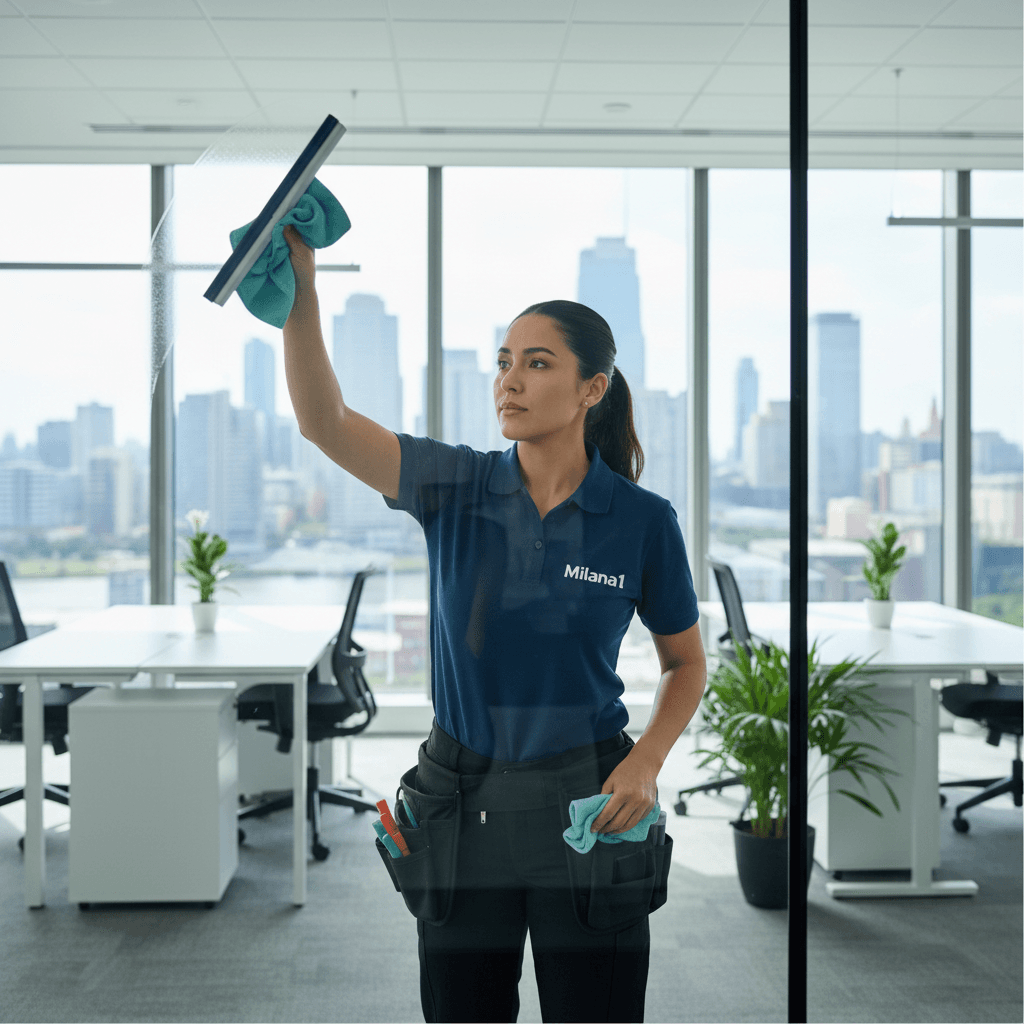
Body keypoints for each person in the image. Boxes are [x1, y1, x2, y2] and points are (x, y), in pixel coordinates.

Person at [281, 224, 707, 1023]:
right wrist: (303, 290)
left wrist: (647, 761)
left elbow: (686, 662)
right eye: (505, 361)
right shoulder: (455, 484)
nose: (509, 380)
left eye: (537, 363)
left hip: (589, 805)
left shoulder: (641, 521)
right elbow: (325, 422)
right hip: (459, 804)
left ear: (593, 389)